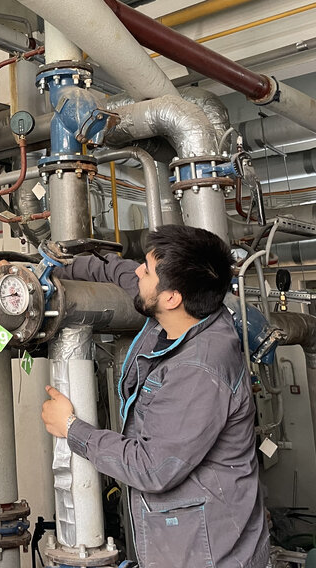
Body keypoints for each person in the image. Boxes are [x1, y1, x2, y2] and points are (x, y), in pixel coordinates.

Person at [41, 223, 269, 568]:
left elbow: (152, 467)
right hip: (190, 539)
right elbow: (119, 271)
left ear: (171, 298)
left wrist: (71, 427)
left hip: (208, 555)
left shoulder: (197, 370)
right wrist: (56, 269)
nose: (138, 272)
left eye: (146, 270)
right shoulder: (184, 313)